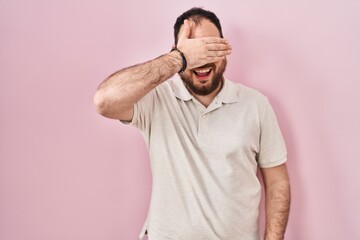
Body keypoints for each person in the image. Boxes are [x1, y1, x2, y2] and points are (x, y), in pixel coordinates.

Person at [93, 7, 291, 240]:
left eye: (210, 48)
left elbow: (277, 181)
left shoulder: (256, 104)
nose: (202, 60)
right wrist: (179, 58)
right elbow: (104, 101)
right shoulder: (156, 100)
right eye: (195, 51)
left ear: (225, 51)